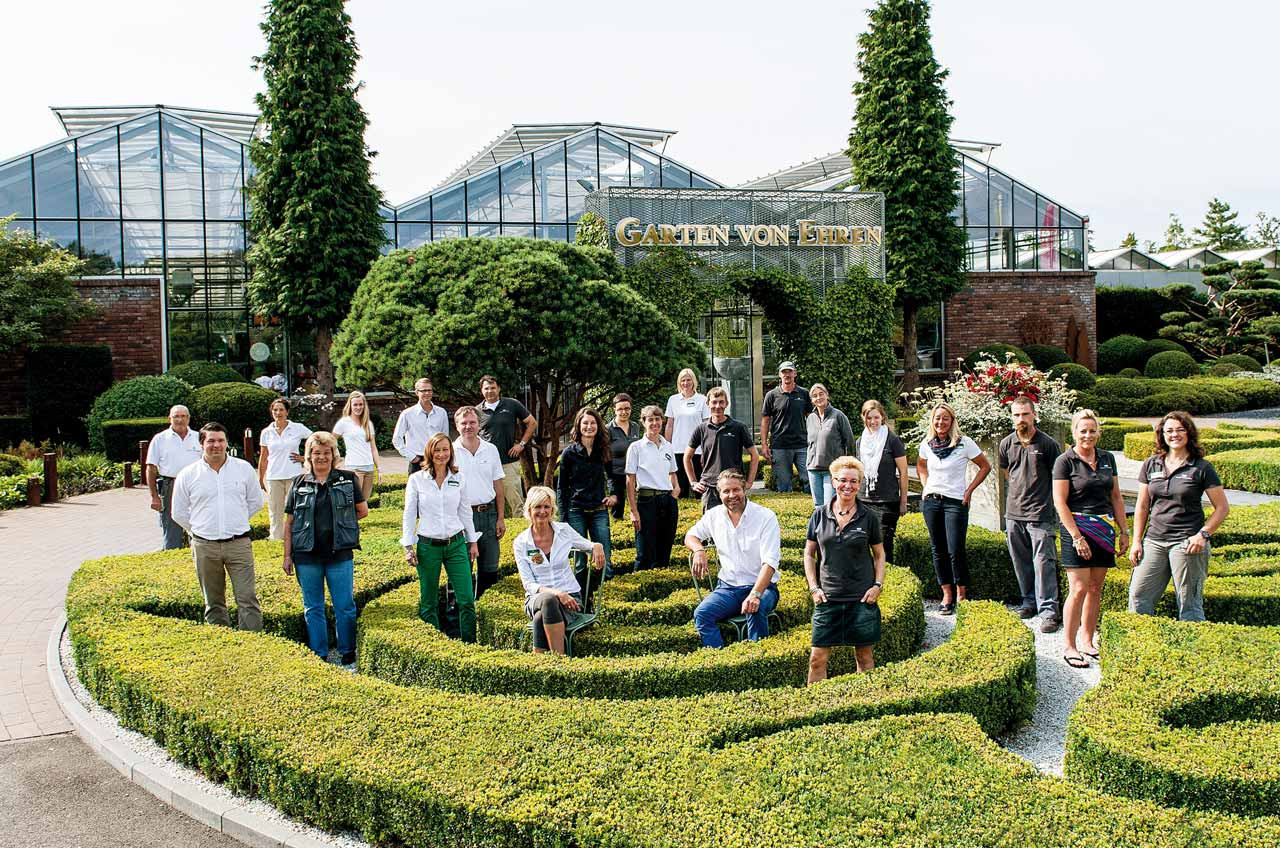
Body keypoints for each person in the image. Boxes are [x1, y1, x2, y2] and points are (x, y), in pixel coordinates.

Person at [1128, 411, 1230, 622]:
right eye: (1169, 431)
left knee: (1189, 606)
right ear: (1162, 435)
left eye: (1179, 430)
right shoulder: (1151, 464)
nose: (1174, 435)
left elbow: (1222, 508)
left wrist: (1203, 535)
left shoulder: (1201, 467)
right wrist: (1137, 541)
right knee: (1138, 598)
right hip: (1154, 541)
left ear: (1189, 433)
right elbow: (1142, 506)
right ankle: (1139, 648)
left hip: (1186, 543)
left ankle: (1191, 653)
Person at [282, 432, 368, 664]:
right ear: (308, 456)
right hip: (306, 556)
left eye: (326, 452)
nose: (321, 457)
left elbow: (362, 511)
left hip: (339, 554)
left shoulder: (348, 479)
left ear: (333, 454)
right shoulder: (298, 483)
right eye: (316, 453)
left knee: (345, 606)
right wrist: (287, 555)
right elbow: (289, 522)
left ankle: (347, 651)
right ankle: (319, 653)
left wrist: (341, 525)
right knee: (313, 607)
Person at [170, 423, 265, 631]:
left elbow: (256, 502)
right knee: (213, 603)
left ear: (227, 443)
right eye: (211, 441)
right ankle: (222, 644)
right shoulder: (188, 474)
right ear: (201, 444)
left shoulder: (243, 468)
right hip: (205, 546)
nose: (216, 445)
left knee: (247, 599)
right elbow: (178, 512)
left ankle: (253, 647)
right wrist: (199, 530)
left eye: (221, 440)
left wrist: (237, 520)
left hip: (238, 544)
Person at [1053, 409, 1128, 668]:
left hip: (1104, 528)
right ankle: (1070, 645)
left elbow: (1116, 497)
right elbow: (1059, 503)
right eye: (1082, 430)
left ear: (1099, 432)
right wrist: (1076, 537)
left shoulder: (1108, 458)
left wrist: (1124, 531)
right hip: (1077, 528)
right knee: (1079, 588)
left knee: (1096, 588)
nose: (1088, 435)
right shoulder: (1065, 461)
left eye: (1092, 430)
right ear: (1074, 432)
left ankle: (1087, 640)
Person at [805, 456, 886, 681]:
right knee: (817, 659)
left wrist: (877, 586)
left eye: (853, 481)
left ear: (859, 485)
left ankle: (865, 706)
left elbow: (879, 555)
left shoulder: (868, 516)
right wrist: (814, 588)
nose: (847, 486)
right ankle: (814, 709)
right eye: (843, 480)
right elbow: (809, 554)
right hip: (827, 598)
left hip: (861, 599)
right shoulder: (819, 514)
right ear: (833, 482)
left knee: (864, 659)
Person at [684, 470, 781, 648]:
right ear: (719, 494)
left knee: (755, 607)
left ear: (744, 489)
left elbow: (770, 562)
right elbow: (690, 536)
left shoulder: (765, 517)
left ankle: (756, 660)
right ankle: (720, 661)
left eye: (736, 490)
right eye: (726, 491)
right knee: (702, 614)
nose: (731, 495)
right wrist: (698, 550)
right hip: (728, 589)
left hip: (763, 588)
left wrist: (755, 595)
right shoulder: (713, 516)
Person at [400, 433, 481, 642]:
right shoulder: (417, 479)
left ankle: (469, 643)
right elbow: (409, 513)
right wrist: (408, 547)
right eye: (437, 450)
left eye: (445, 449)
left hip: (456, 544)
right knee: (429, 601)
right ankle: (435, 646)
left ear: (450, 453)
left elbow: (465, 512)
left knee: (466, 599)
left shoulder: (459, 478)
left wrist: (472, 542)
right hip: (428, 546)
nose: (441, 454)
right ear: (429, 452)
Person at [917, 402, 991, 614]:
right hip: (932, 501)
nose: (941, 422)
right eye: (937, 418)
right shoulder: (927, 444)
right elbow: (921, 466)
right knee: (938, 549)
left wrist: (969, 490)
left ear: (952, 421)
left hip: (955, 502)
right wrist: (925, 486)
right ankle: (947, 594)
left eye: (945, 418)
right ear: (933, 421)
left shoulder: (964, 443)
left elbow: (985, 466)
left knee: (955, 550)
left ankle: (961, 592)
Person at [513, 486, 606, 655]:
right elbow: (528, 584)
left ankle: (540, 660)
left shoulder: (564, 531)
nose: (542, 511)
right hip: (536, 600)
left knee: (541, 616)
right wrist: (557, 594)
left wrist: (597, 545)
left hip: (571, 599)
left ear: (552, 509)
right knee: (548, 600)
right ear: (529, 510)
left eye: (546, 507)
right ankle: (560, 658)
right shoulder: (521, 542)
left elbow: (588, 545)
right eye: (538, 507)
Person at [998, 395, 1063, 633]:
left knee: (1044, 564)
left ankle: (1049, 611)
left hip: (1040, 515)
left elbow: (1058, 479)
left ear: (1034, 414)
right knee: (1021, 562)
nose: (1021, 419)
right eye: (1016, 414)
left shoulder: (1048, 444)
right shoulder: (1006, 444)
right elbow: (1007, 473)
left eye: (1025, 414)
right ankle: (1029, 602)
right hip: (1014, 514)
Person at [557, 407, 615, 590]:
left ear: (598, 425)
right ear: (578, 426)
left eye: (592, 423)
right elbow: (562, 487)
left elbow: (612, 476)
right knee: (580, 560)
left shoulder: (603, 450)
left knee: (604, 556)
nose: (589, 427)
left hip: (598, 510)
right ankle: (580, 597)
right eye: (585, 423)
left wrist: (613, 494)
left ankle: (606, 594)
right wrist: (563, 518)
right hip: (576, 511)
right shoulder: (569, 453)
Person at [453, 406, 507, 599]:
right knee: (461, 569)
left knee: (489, 568)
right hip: (461, 517)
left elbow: (499, 485)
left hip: (489, 514)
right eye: (464, 423)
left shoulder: (490, 449)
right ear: (457, 425)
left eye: (472, 422)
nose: (468, 426)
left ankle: (486, 609)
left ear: (479, 424)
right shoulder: (449, 451)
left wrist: (501, 517)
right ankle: (459, 617)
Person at [684, 386, 758, 512]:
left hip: (733, 488)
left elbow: (755, 455)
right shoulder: (701, 429)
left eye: (721, 402)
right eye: (714, 402)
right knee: (710, 529)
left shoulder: (738, 427)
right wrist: (693, 482)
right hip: (709, 488)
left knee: (737, 527)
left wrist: (749, 482)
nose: (717, 406)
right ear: (708, 403)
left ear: (726, 404)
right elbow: (687, 457)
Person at [854, 400, 908, 565]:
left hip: (886, 502)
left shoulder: (892, 440)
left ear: (882, 417)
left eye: (876, 417)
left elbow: (904, 472)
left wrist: (903, 501)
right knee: (862, 545)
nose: (873, 421)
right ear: (864, 418)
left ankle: (887, 582)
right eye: (869, 418)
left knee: (884, 547)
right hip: (863, 501)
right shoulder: (860, 442)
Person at [626, 405, 680, 570]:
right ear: (643, 422)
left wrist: (675, 489)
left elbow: (673, 472)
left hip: (667, 502)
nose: (655, 423)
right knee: (645, 553)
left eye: (657, 419)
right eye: (650, 420)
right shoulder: (635, 448)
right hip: (646, 502)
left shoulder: (668, 446)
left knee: (665, 550)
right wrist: (633, 511)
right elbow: (630, 480)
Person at [476, 375, 538, 518]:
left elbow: (532, 423)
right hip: (485, 464)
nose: (490, 391)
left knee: (515, 500)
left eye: (493, 388)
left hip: (508, 462)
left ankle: (520, 530)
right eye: (486, 388)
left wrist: (521, 444)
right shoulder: (477, 411)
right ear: (481, 391)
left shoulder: (511, 404)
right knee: (487, 501)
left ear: (499, 388)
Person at [145, 404, 202, 550]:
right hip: (170, 485)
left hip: (196, 485)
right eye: (176, 416)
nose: (180, 419)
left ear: (188, 418)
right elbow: (151, 468)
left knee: (199, 522)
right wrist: (154, 496)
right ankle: (171, 555)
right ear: (169, 418)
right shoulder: (160, 439)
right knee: (171, 526)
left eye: (183, 416)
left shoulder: (199, 437)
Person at [257, 397, 312, 542]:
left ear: (287, 412)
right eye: (275, 410)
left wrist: (305, 458)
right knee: (275, 510)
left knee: (296, 508)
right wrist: (260, 478)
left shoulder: (297, 428)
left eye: (281, 409)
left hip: (294, 475)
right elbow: (263, 457)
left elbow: (317, 439)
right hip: (273, 476)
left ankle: (298, 537)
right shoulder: (266, 432)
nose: (278, 412)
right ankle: (276, 538)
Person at [760, 361, 814, 494]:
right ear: (780, 374)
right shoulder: (771, 395)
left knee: (809, 480)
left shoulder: (804, 393)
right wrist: (764, 445)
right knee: (783, 485)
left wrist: (814, 441)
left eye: (789, 371)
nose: (787, 374)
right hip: (780, 446)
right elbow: (765, 421)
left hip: (802, 445)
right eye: (784, 372)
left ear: (795, 373)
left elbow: (812, 419)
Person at [805, 384, 854, 508]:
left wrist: (849, 467)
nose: (818, 398)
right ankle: (821, 528)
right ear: (812, 400)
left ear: (827, 395)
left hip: (831, 470)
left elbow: (849, 442)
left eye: (821, 394)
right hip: (813, 469)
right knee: (818, 506)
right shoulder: (810, 418)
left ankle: (832, 528)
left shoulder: (838, 416)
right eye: (815, 396)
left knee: (829, 505)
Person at [665, 368, 710, 498]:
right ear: (679, 383)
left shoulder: (702, 400)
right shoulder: (673, 400)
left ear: (694, 381)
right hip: (678, 449)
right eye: (683, 380)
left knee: (700, 490)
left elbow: (707, 426)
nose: (686, 383)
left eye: (688, 380)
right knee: (681, 489)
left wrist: (706, 448)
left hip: (698, 450)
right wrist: (667, 446)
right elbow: (669, 425)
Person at [393, 378, 450, 476]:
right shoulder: (407, 414)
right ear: (416, 392)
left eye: (429, 390)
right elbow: (396, 439)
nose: (427, 393)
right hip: (417, 461)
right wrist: (411, 457)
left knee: (439, 489)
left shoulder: (441, 413)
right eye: (423, 390)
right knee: (416, 491)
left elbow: (445, 437)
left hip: (437, 458)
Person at [333, 390, 381, 502]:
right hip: (354, 468)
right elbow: (331, 441)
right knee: (354, 503)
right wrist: (336, 459)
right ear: (350, 405)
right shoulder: (344, 423)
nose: (358, 407)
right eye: (355, 404)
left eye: (361, 404)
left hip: (369, 468)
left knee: (364, 503)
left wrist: (379, 468)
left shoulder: (368, 424)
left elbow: (373, 448)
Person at [607, 393, 642, 521]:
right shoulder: (608, 430)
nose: (624, 412)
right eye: (620, 409)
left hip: (635, 473)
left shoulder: (635, 426)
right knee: (618, 509)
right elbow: (605, 456)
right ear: (614, 410)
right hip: (617, 474)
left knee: (639, 507)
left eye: (627, 408)